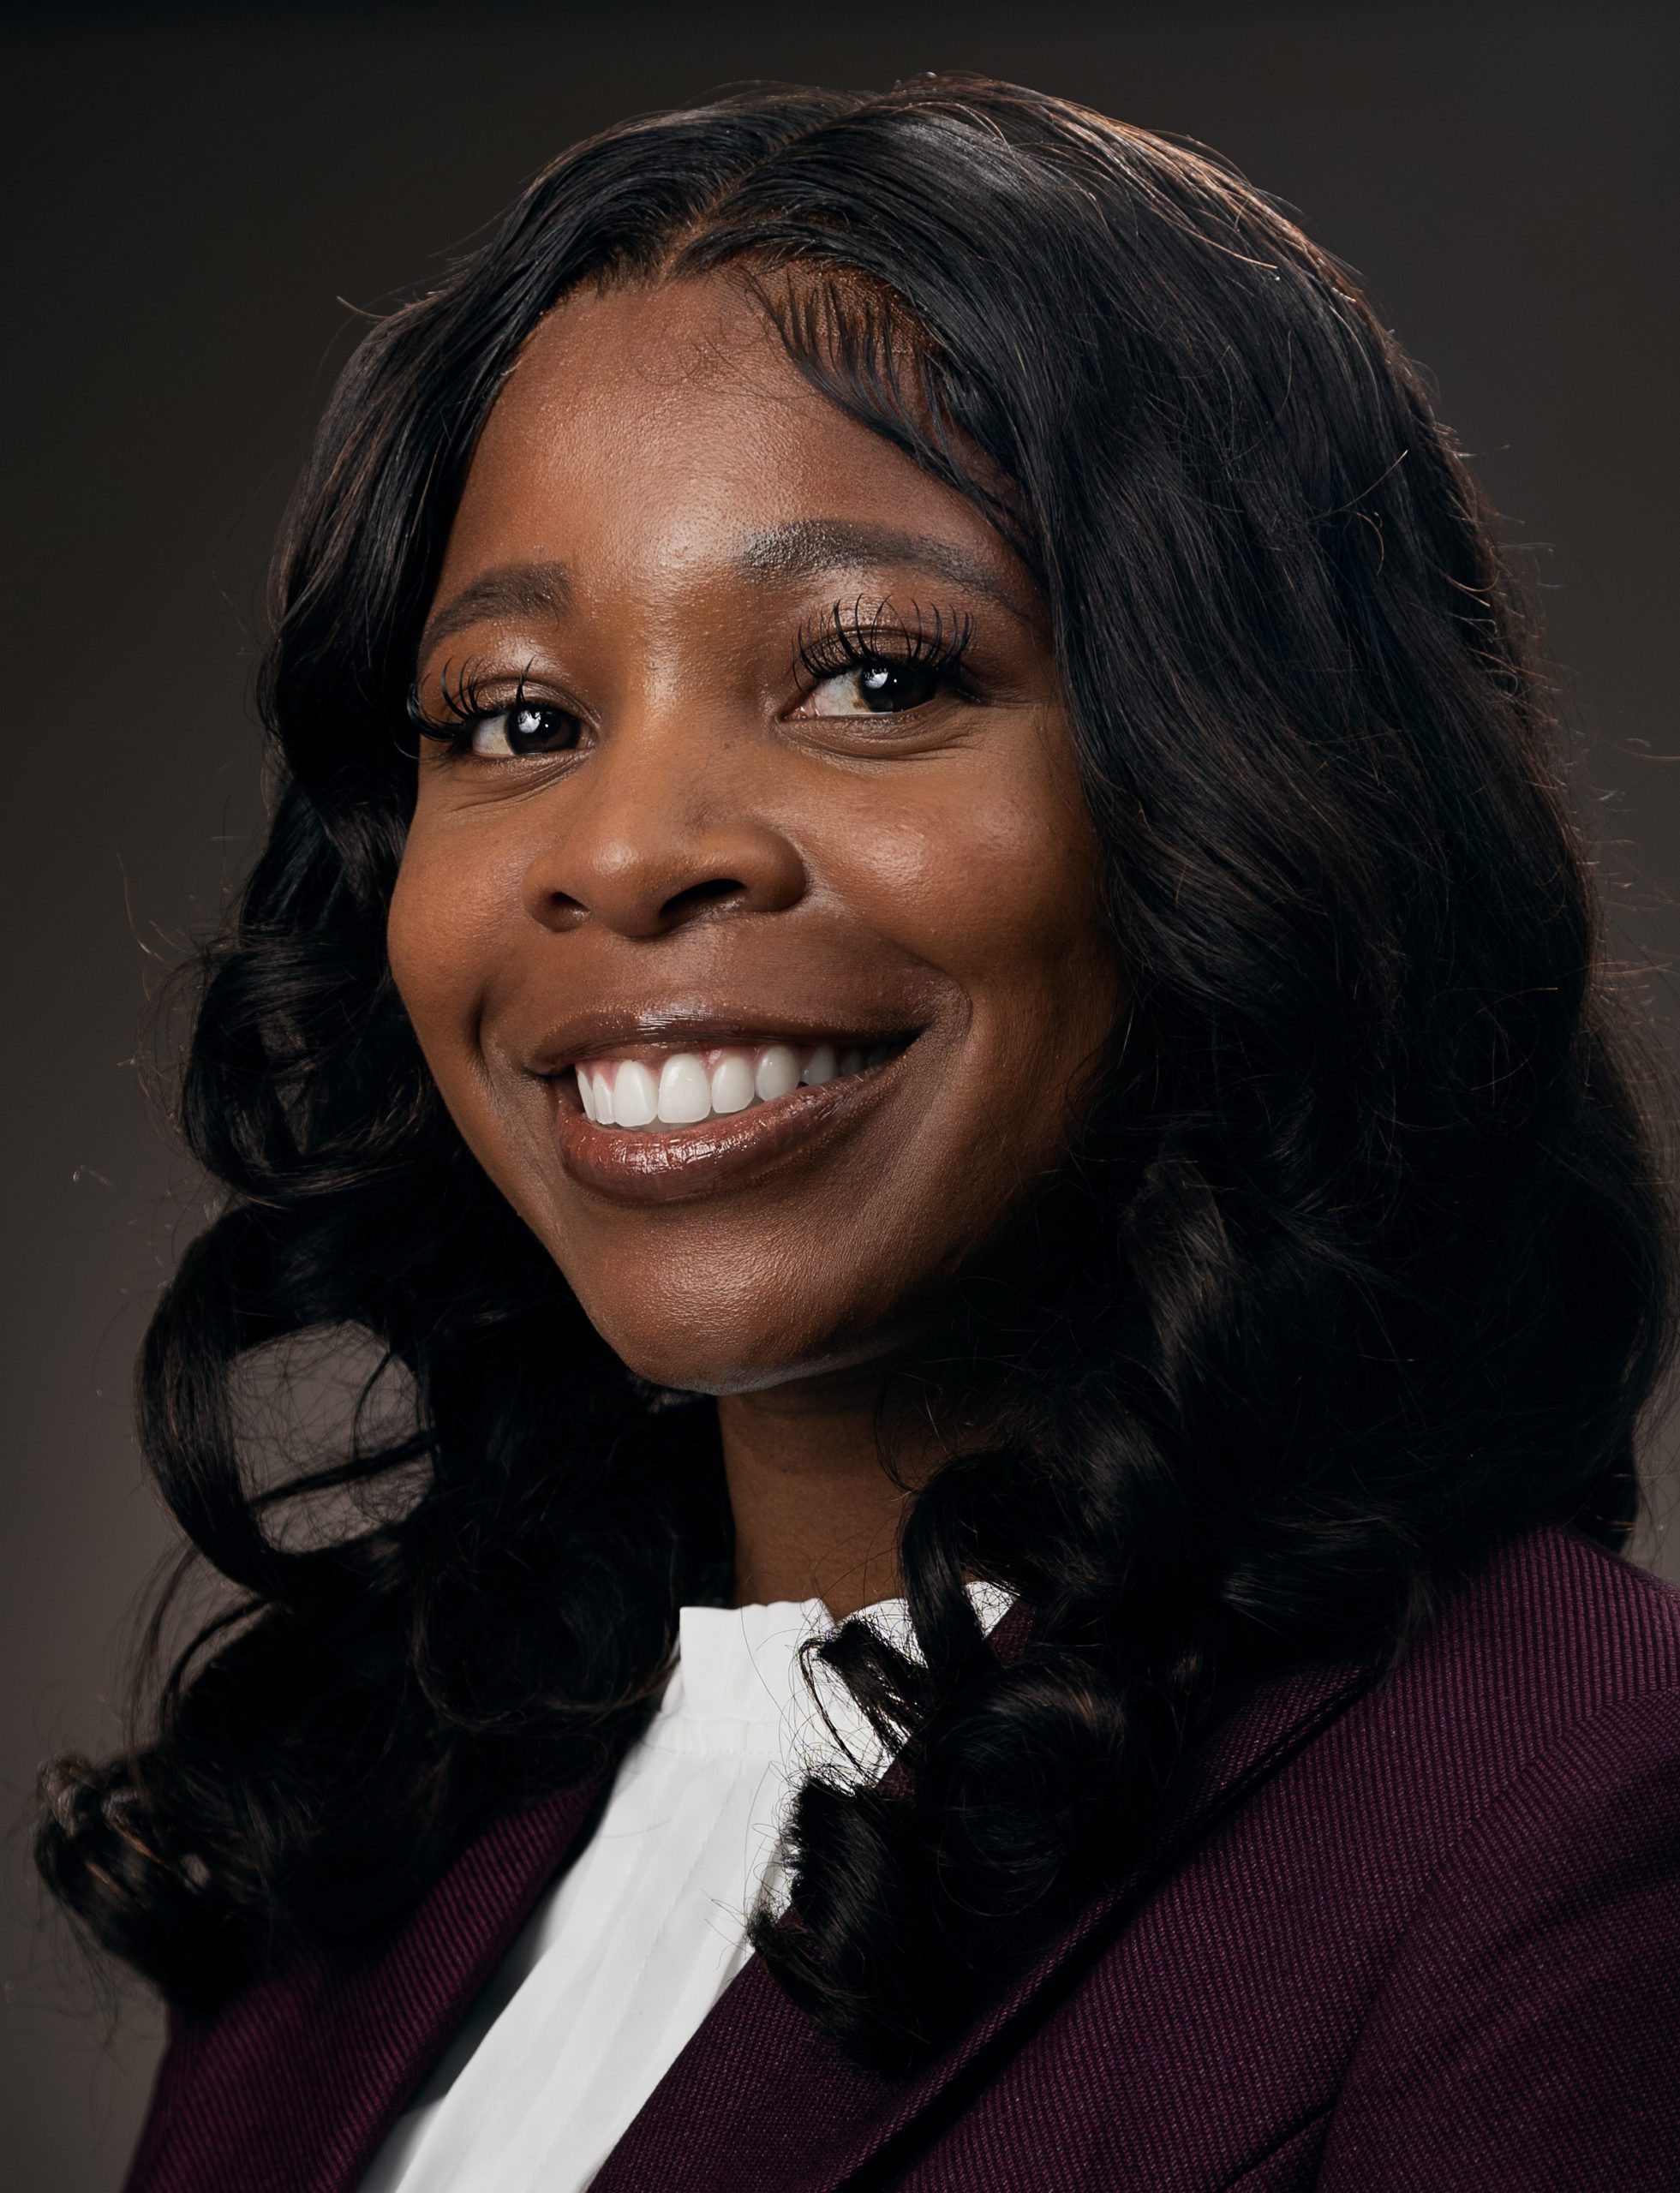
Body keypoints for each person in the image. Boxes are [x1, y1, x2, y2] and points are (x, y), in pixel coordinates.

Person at [38, 75, 1680, 2192]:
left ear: (1262, 793)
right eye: (518, 719)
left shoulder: (1570, 1821)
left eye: (876, 675)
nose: (626, 851)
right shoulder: (375, 1816)